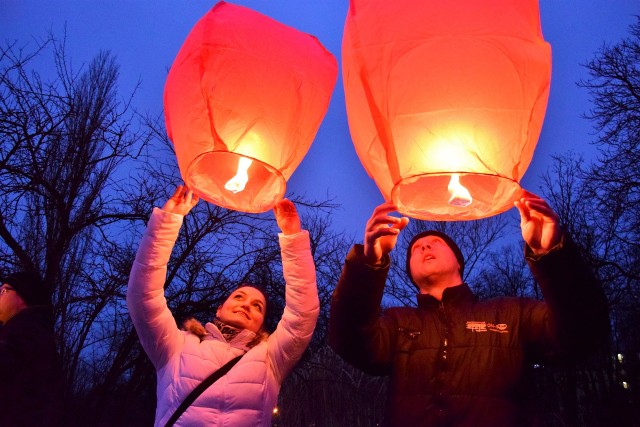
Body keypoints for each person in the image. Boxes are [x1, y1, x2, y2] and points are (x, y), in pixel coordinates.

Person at [328, 192, 609, 426]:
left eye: (435, 242)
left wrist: (552, 255)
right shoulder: (396, 323)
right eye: (415, 248)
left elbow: (581, 334)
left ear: (458, 261)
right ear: (411, 272)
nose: (424, 246)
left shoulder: (512, 314)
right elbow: (349, 340)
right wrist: (367, 264)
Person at [127, 185, 319, 426]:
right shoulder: (176, 346)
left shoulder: (271, 358)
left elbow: (302, 313)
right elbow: (143, 297)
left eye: (257, 306)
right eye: (239, 297)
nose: (247, 305)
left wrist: (293, 237)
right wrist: (167, 221)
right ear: (219, 308)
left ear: (261, 323)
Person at [0, 270, 64, 426]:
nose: (0, 296)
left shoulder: (22, 335)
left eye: (4, 291)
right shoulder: (35, 334)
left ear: (23, 297)